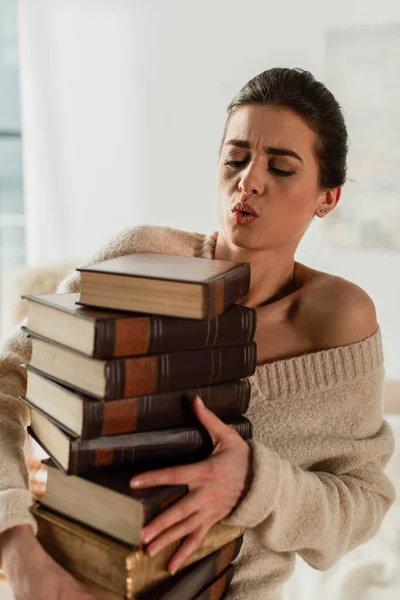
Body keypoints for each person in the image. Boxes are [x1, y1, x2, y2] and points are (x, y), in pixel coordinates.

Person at [0, 68, 395, 600]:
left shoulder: (336, 320)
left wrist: (256, 484)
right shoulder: (141, 254)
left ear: (327, 198)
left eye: (280, 168)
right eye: (235, 158)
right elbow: (6, 381)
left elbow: (362, 505)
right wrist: (16, 546)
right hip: (71, 577)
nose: (249, 180)